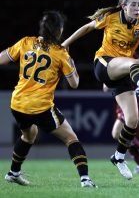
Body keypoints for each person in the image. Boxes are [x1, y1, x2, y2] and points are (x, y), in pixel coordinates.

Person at [62, 0, 139, 179]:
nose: (137, 8)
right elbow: (87, 28)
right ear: (124, 6)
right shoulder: (111, 17)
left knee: (132, 121)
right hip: (104, 64)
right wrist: (66, 43)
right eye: (134, 4)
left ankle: (119, 157)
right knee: (136, 64)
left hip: (123, 71)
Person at [0, 11, 97, 188]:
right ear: (59, 30)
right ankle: (85, 179)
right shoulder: (60, 53)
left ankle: (13, 173)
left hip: (18, 103)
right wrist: (70, 59)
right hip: (40, 106)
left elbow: (1, 59)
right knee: (71, 138)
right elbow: (74, 83)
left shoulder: (26, 42)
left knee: (29, 135)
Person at [107, 52, 139, 174]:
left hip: (134, 99)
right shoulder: (113, 53)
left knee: (117, 133)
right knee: (124, 137)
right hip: (122, 97)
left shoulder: (132, 54)